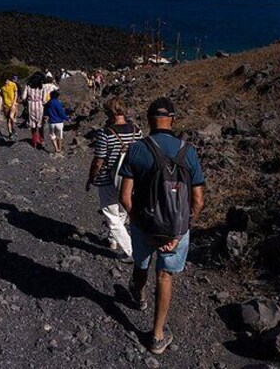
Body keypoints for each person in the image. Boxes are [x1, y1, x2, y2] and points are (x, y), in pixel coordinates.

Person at [119, 97, 205, 355]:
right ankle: (157, 336)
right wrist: (182, 230)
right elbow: (198, 200)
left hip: (144, 224)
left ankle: (140, 295)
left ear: (148, 120)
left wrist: (142, 226)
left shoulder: (137, 149)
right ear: (174, 120)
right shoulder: (188, 151)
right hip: (176, 229)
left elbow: (125, 197)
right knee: (165, 275)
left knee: (141, 264)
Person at [87, 97, 143, 261]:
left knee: (111, 215)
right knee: (123, 210)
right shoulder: (137, 130)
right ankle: (113, 240)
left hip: (108, 178)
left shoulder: (105, 133)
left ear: (109, 112)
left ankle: (130, 251)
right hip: (131, 178)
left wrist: (91, 178)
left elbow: (99, 160)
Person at [23, 72, 46, 149]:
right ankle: (42, 140)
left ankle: (34, 141)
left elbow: (23, 97)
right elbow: (44, 100)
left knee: (33, 125)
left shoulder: (28, 86)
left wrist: (26, 103)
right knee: (40, 124)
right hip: (39, 106)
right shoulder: (42, 87)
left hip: (31, 105)